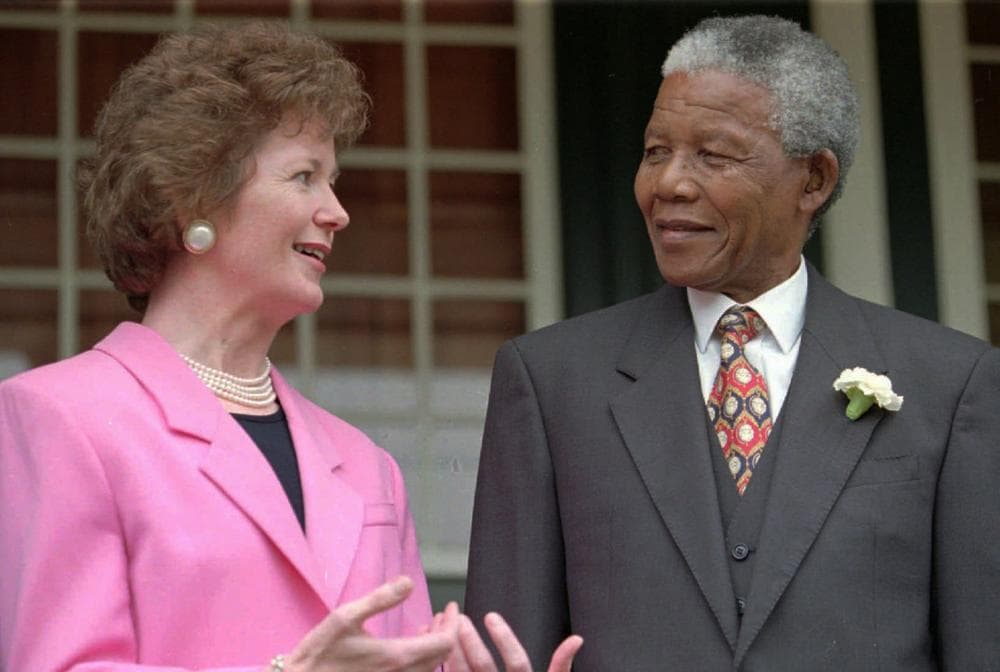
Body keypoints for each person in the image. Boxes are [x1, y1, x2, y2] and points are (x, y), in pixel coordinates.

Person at [0, 22, 580, 672]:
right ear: (192, 197)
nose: (337, 210)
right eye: (304, 176)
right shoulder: (56, 418)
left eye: (332, 180)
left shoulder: (368, 468)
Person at [465, 14, 1000, 671]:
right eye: (656, 151)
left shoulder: (951, 383)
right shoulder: (551, 381)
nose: (668, 184)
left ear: (814, 180)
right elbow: (500, 651)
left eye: (711, 155)